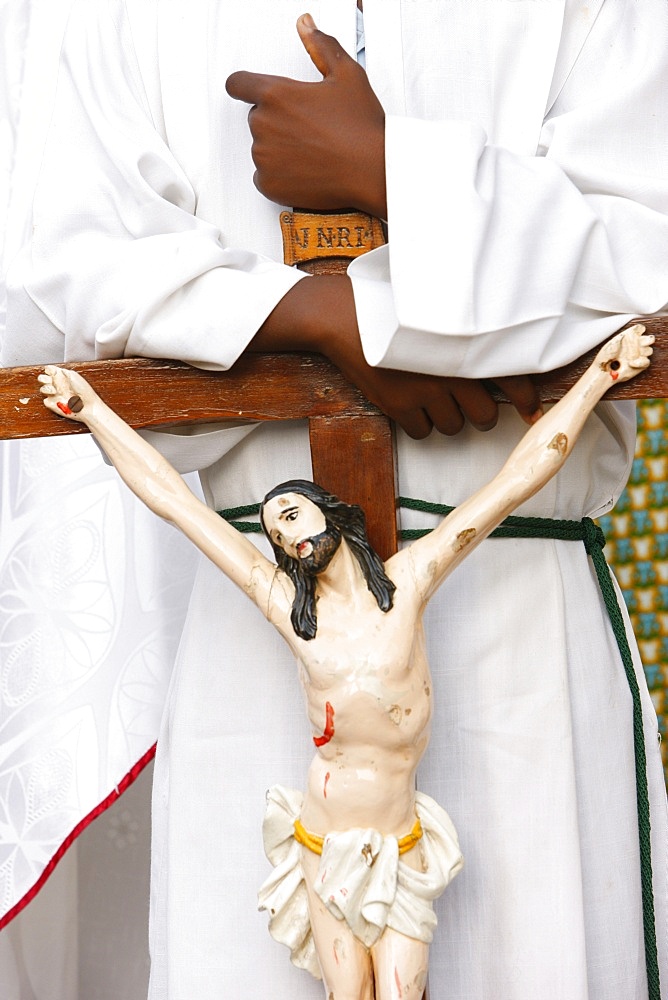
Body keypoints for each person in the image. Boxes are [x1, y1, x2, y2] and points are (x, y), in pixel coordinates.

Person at [4, 2, 668, 998]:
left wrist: (395, 173)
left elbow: (644, 249)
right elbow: (58, 269)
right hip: (252, 631)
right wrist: (314, 316)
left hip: (516, 620)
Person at [37, 324, 653, 999]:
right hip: (321, 842)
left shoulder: (410, 583)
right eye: (275, 533)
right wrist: (95, 413)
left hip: (403, 839)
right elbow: (178, 503)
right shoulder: (292, 615)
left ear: (332, 515)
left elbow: (514, 480)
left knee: (401, 991)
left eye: (293, 515)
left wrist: (599, 377)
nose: (287, 536)